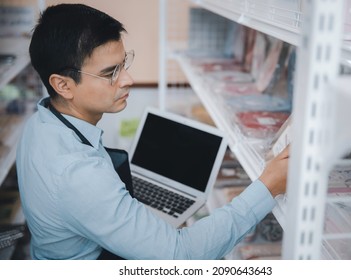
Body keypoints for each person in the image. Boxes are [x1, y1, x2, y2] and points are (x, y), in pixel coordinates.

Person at [16, 3, 289, 260]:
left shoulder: (40, 122)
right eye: (111, 72)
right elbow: (180, 257)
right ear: (63, 85)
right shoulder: (78, 174)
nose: (127, 79)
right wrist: (268, 187)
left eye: (124, 63)